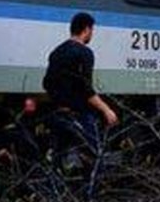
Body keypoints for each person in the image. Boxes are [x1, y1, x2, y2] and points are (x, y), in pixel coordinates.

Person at [42, 12, 117, 167]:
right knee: (94, 157)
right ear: (87, 30)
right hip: (79, 115)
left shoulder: (56, 52)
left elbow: (47, 83)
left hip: (59, 114)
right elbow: (86, 89)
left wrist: (60, 101)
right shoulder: (85, 53)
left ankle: (57, 188)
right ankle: (90, 189)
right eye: (92, 31)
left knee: (57, 158)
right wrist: (106, 110)